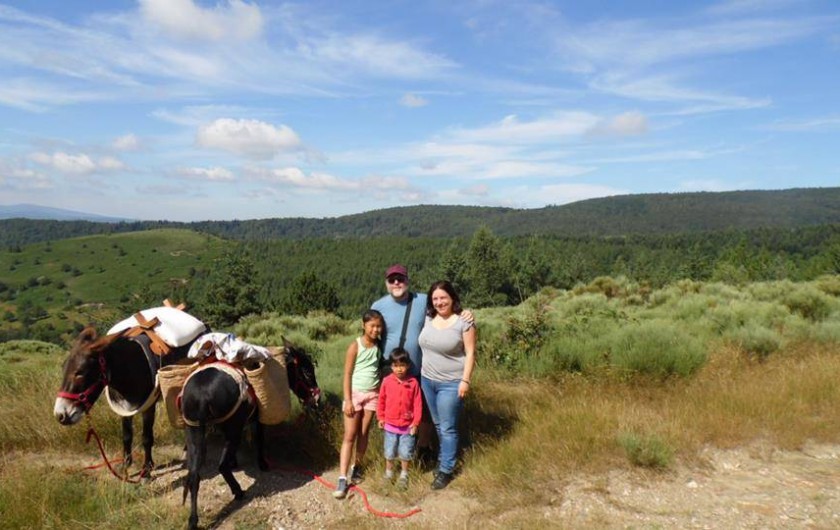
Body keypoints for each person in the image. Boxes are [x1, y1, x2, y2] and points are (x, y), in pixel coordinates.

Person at [371, 264, 472, 460]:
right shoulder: (378, 306)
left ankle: (423, 447)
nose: (396, 283)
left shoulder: (423, 301)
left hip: (419, 368)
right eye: (392, 280)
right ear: (386, 283)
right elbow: (370, 333)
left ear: (407, 280)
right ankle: (395, 453)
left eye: (400, 279)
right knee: (393, 409)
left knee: (424, 410)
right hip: (389, 368)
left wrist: (465, 313)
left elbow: (444, 309)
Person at [418, 280, 476, 490]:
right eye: (435, 298)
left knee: (448, 427)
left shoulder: (464, 322)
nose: (439, 302)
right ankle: (444, 460)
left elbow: (470, 352)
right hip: (427, 380)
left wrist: (465, 380)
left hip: (451, 383)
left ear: (452, 298)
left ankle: (446, 470)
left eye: (443, 297)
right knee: (438, 424)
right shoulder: (428, 317)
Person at [333, 309, 384, 500]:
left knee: (364, 433)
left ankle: (358, 466)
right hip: (354, 395)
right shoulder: (355, 346)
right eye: (372, 326)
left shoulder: (379, 346)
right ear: (363, 325)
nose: (375, 329)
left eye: (379, 326)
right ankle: (342, 477)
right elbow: (347, 374)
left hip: (372, 395)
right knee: (350, 435)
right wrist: (347, 400)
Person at [376, 347, 423, 489]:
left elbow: (418, 404)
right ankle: (389, 473)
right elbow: (381, 400)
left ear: (408, 365)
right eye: (396, 366)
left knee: (405, 452)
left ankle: (404, 474)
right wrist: (381, 417)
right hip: (390, 425)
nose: (399, 369)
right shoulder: (387, 381)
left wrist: (416, 423)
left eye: (402, 365)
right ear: (391, 366)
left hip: (407, 427)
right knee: (389, 451)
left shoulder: (413, 383)